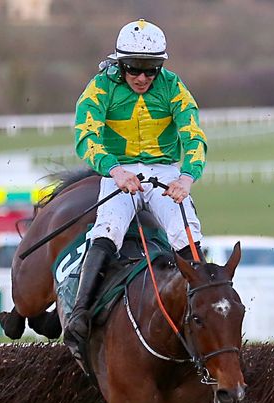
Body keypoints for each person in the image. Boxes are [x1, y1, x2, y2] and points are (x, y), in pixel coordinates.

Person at [65, 18, 208, 349]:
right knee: (108, 230)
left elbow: (193, 134)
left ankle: (204, 309)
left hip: (165, 172)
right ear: (120, 63)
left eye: (151, 70)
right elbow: (86, 135)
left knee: (185, 230)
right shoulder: (100, 87)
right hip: (120, 170)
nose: (143, 78)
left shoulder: (173, 86)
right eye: (134, 69)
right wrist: (114, 170)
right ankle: (80, 313)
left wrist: (187, 177)